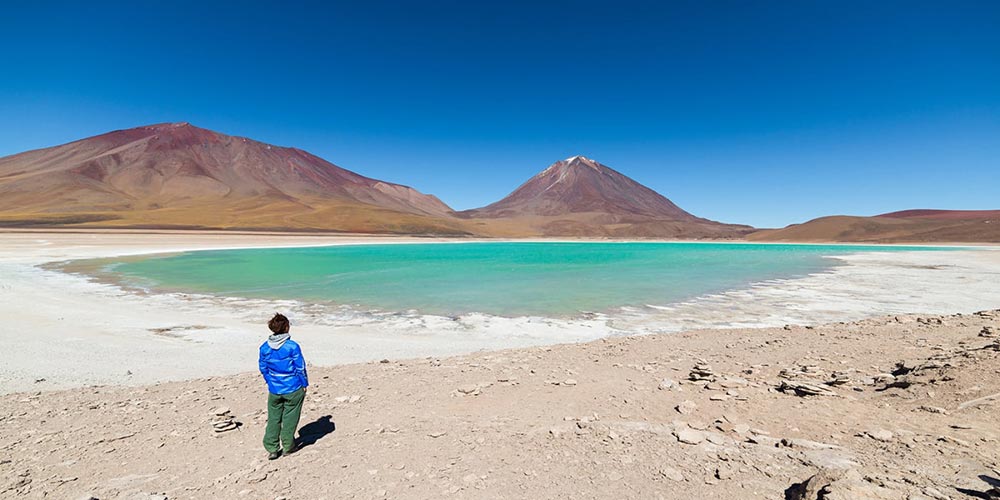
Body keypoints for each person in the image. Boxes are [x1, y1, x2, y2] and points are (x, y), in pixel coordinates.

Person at [259, 313, 308, 460]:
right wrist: (304, 383)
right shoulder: (292, 346)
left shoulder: (264, 347)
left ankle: (272, 448)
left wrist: (270, 381)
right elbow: (300, 367)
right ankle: (288, 446)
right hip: (292, 386)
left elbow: (263, 367)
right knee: (290, 417)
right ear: (286, 327)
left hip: (275, 389)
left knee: (274, 418)